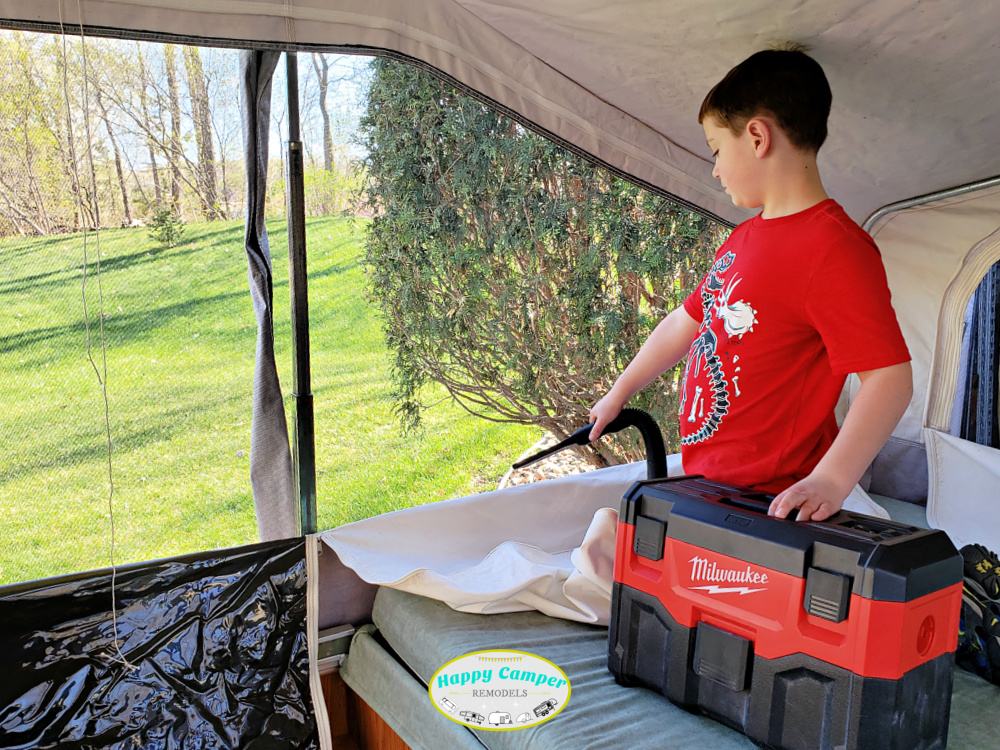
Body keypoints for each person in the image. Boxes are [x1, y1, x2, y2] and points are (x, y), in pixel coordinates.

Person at [589, 47, 912, 522]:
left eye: (718, 150)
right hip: (711, 487)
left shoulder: (834, 248)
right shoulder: (742, 238)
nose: (716, 169)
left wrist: (832, 478)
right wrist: (620, 392)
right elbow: (686, 320)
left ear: (758, 136)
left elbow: (889, 378)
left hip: (773, 505)